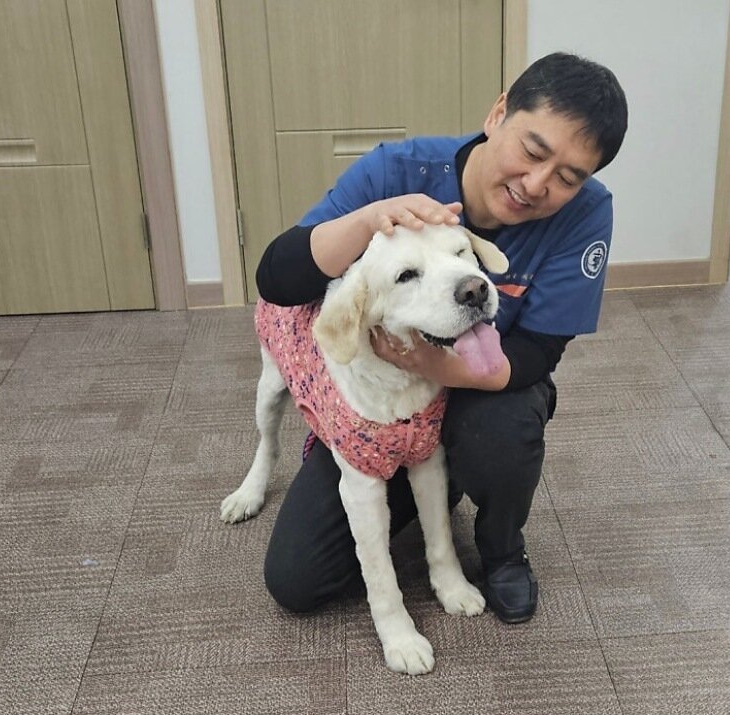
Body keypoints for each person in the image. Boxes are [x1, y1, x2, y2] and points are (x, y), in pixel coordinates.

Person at [256, 52, 628, 623]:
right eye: (532, 151)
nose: (536, 184)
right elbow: (277, 279)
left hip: (480, 388)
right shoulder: (395, 172)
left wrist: (444, 370)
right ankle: (421, 471)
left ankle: (502, 551)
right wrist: (366, 220)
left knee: (504, 429)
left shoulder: (586, 216)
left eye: (568, 178)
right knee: (297, 579)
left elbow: (538, 353)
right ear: (498, 112)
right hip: (380, 401)